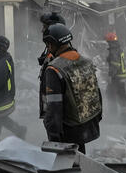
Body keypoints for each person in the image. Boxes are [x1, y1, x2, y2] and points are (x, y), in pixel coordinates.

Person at [39, 23, 102, 153]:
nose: (48, 48)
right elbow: (96, 92)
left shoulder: (54, 69)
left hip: (67, 128)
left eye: (48, 44)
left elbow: (54, 106)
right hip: (85, 122)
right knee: (80, 158)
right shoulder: (85, 61)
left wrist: (54, 135)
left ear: (52, 44)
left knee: (66, 167)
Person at [0, 36, 27, 145]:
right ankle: (20, 130)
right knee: (1, 118)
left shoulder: (2, 62)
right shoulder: (4, 58)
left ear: (0, 48)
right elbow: (3, 72)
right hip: (4, 95)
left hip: (1, 97)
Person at [104, 32, 126, 114]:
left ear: (110, 42)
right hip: (121, 75)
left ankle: (113, 114)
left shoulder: (114, 50)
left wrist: (111, 76)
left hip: (116, 76)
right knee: (122, 94)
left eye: (107, 42)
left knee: (110, 94)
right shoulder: (119, 49)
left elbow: (115, 64)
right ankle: (125, 114)